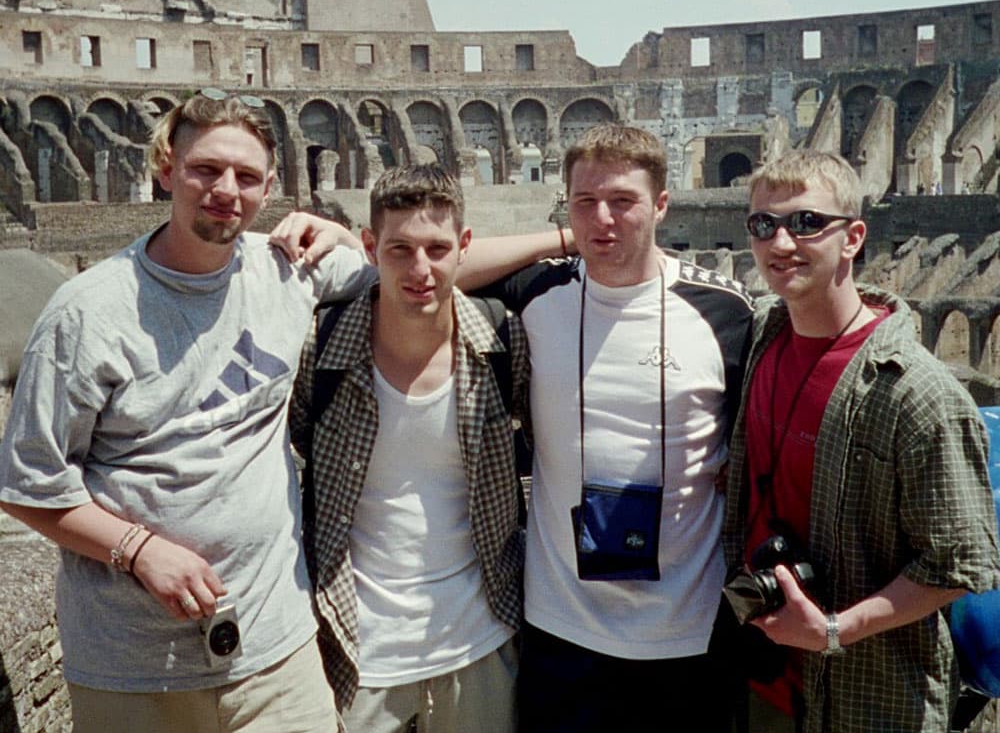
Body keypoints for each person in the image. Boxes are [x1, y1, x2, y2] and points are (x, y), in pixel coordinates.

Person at [0, 91, 561, 733]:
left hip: (278, 650)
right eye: (205, 169)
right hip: (133, 658)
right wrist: (138, 550)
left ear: (271, 186)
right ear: (165, 169)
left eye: (245, 176)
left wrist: (574, 236)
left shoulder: (290, 272)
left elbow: (425, 266)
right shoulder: (86, 313)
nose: (225, 190)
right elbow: (26, 484)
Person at [483, 123, 753, 733]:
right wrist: (560, 239)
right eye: (585, 202)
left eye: (623, 202)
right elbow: (444, 262)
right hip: (561, 626)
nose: (603, 220)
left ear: (661, 204)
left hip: (687, 629)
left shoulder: (726, 313)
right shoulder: (537, 293)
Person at [723, 148, 1000, 733]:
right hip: (761, 678)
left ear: (852, 238)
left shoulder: (917, 392)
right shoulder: (762, 340)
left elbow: (960, 564)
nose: (780, 243)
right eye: (762, 224)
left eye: (805, 223)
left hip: (870, 696)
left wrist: (833, 629)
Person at [288, 163, 529, 733]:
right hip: (357, 646)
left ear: (464, 247)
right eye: (399, 249)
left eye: (437, 248)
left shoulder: (502, 343)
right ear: (369, 247)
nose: (420, 269)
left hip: (481, 637)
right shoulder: (319, 351)